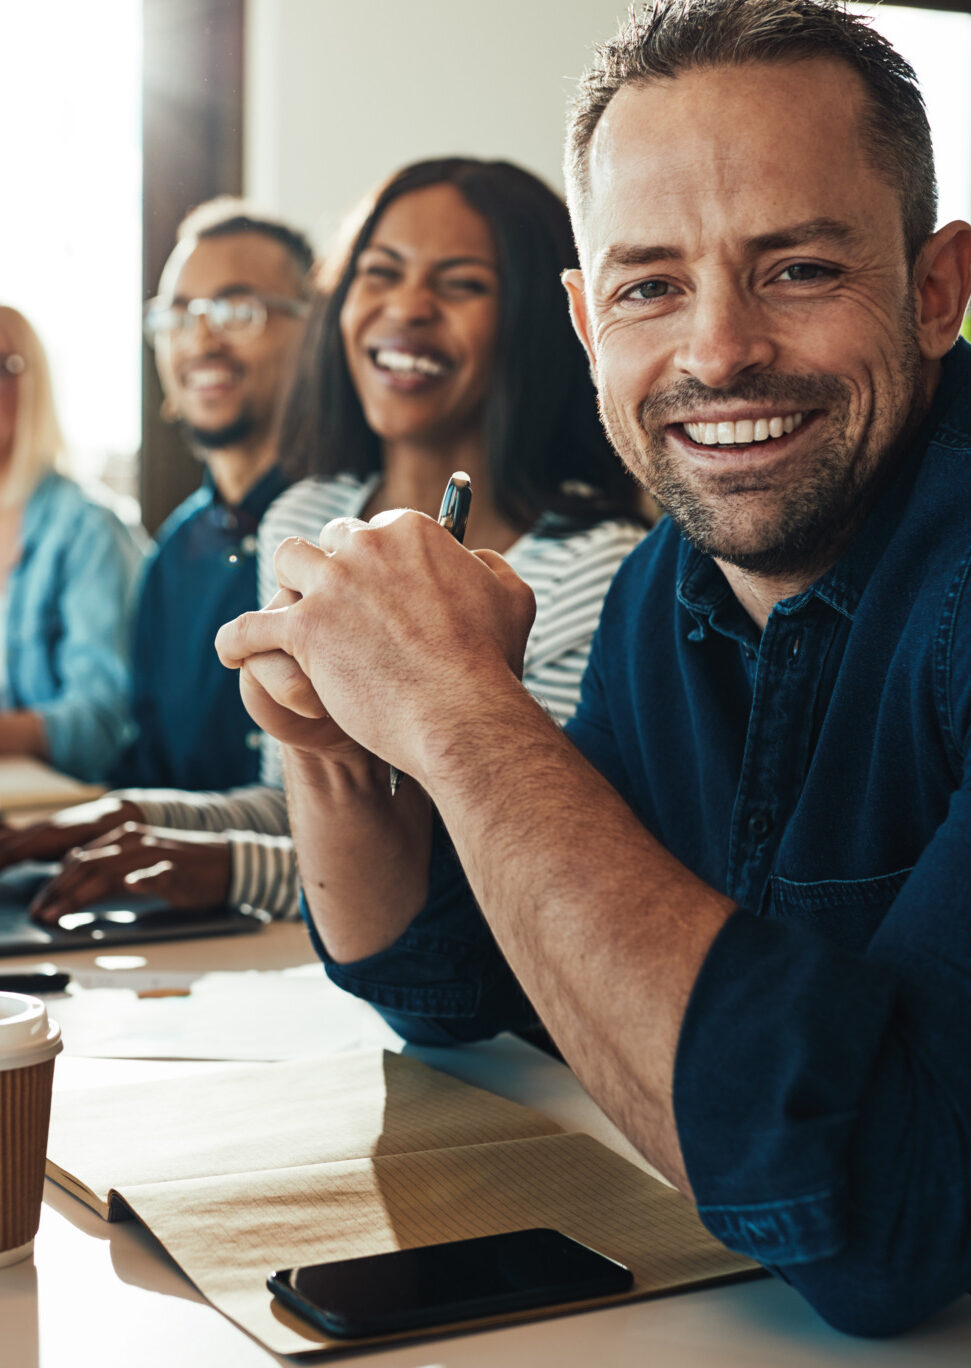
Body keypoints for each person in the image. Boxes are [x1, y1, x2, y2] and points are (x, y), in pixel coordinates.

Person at [217, 0, 971, 1349]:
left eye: (796, 268)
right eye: (649, 285)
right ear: (585, 318)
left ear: (934, 289)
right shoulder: (666, 584)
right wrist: (334, 736)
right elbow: (469, 991)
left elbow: (886, 1205)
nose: (719, 349)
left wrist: (463, 713)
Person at [15, 158, 648, 922]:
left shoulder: (601, 568)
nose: (407, 307)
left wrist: (232, 871)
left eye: (460, 283)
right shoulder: (303, 517)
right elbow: (301, 805)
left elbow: (504, 852)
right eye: (380, 274)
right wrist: (127, 818)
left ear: (541, 322)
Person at [0, 199, 312, 908]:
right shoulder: (179, 549)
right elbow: (151, 760)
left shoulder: (342, 527)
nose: (199, 339)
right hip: (181, 910)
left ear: (316, 328)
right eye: (177, 316)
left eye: (237, 311)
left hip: (287, 917)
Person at [0, 304, 139, 780]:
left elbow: (99, 726)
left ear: (34, 384)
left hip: (60, 821)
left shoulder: (88, 530)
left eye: (4, 367)